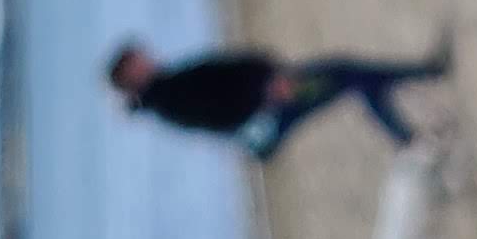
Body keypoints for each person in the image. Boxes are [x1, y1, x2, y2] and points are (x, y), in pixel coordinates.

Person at [106, 39, 447, 160]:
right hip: (272, 106)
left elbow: (224, 76)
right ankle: (411, 128)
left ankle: (425, 79)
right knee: (349, 76)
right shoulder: (169, 99)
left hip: (270, 97)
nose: (144, 55)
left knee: (349, 77)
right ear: (132, 76)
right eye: (135, 59)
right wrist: (265, 95)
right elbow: (220, 114)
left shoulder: (166, 89)